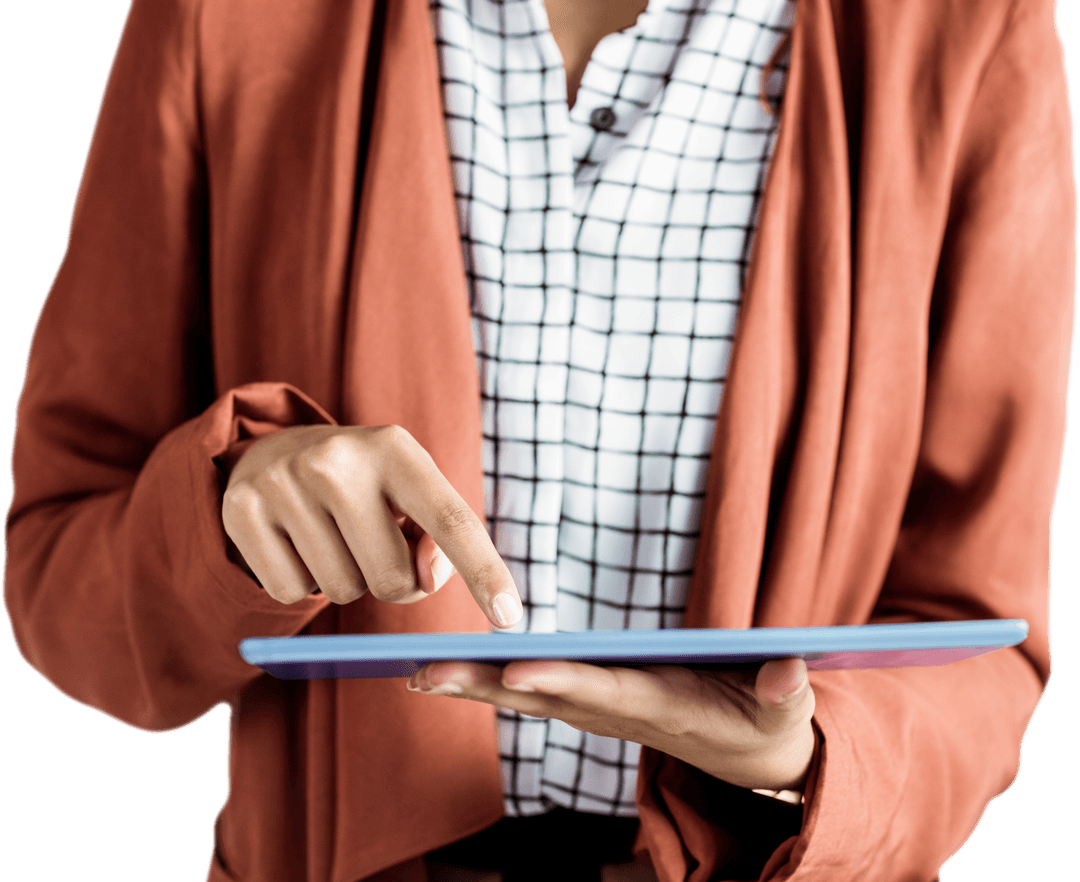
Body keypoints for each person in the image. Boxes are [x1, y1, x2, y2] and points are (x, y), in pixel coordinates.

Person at [1, 1, 1074, 881]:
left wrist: (811, 755)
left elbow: (983, 639)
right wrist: (229, 524)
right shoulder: (226, 17)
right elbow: (59, 566)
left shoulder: (970, 33)